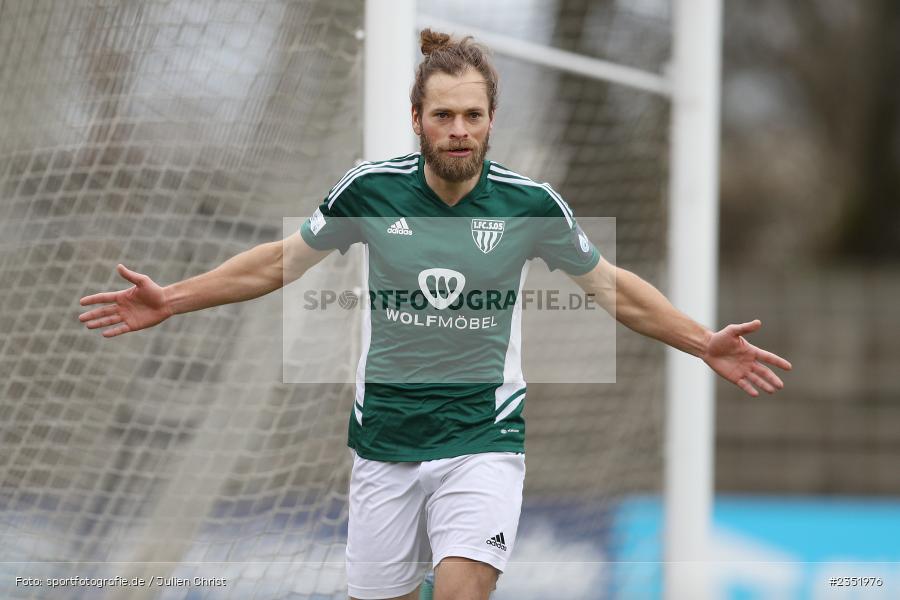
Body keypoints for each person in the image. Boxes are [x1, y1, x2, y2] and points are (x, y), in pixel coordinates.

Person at [79, 29, 791, 600]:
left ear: (491, 122)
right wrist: (171, 297)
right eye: (443, 114)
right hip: (384, 444)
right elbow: (278, 261)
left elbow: (612, 287)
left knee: (460, 588)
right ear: (417, 118)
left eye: (472, 116)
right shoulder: (369, 191)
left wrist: (703, 341)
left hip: (482, 437)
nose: (459, 129)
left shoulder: (529, 205)